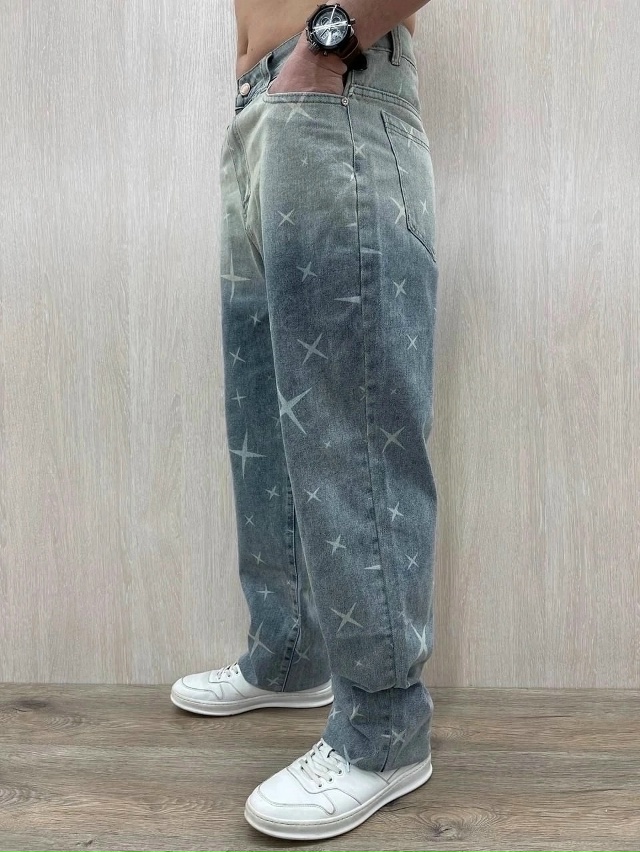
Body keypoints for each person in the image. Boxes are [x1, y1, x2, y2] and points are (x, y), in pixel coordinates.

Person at [171, 0, 438, 840]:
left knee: (351, 422)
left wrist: (326, 44)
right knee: (264, 414)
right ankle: (288, 654)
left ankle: (384, 729)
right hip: (269, 107)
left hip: (337, 82)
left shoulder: (329, 56)